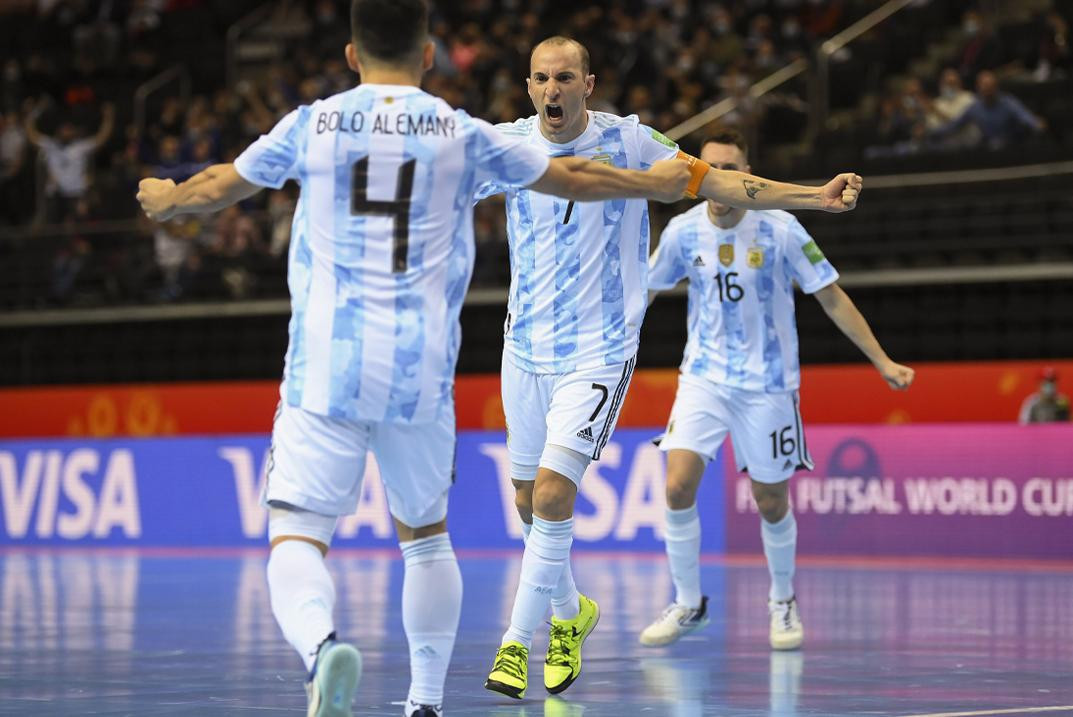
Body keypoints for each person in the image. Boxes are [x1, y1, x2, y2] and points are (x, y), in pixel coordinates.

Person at [135, 2, 691, 716]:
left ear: (349, 55)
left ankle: (320, 643)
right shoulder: (459, 133)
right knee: (426, 540)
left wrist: (170, 196)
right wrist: (652, 184)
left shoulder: (314, 122)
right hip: (420, 370)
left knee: (296, 532)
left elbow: (219, 188)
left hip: (325, 367)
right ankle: (424, 701)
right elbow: (575, 178)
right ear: (430, 56)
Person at [477, 37, 864, 700]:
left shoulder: (632, 143)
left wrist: (813, 196)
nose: (551, 90)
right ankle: (571, 613)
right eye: (540, 78)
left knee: (549, 495)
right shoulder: (507, 143)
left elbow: (718, 181)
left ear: (588, 83)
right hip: (523, 348)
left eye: (564, 77)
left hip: (597, 350)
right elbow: (433, 175)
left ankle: (517, 641)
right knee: (524, 498)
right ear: (528, 84)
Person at [638, 128, 914, 652]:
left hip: (767, 383)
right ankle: (688, 601)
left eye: (731, 170)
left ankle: (783, 599)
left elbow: (830, 297)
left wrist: (881, 360)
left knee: (769, 500)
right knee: (676, 486)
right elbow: (644, 295)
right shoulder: (682, 232)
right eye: (710, 170)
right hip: (703, 377)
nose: (719, 181)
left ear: (746, 176)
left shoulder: (782, 229)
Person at [24, 99, 114, 223]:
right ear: (58, 131)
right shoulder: (50, 145)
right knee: (53, 225)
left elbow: (101, 138)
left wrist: (108, 118)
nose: (66, 131)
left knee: (80, 223)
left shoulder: (81, 147)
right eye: (64, 129)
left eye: (69, 129)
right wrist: (31, 115)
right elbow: (31, 135)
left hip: (76, 193)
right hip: (55, 194)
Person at [932, 70, 1045, 149]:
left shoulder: (1008, 102)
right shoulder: (975, 108)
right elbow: (954, 125)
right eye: (985, 87)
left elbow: (1024, 115)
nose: (988, 90)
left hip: (1012, 147)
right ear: (979, 88)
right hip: (988, 149)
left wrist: (1036, 124)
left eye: (991, 87)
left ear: (996, 87)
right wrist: (932, 133)